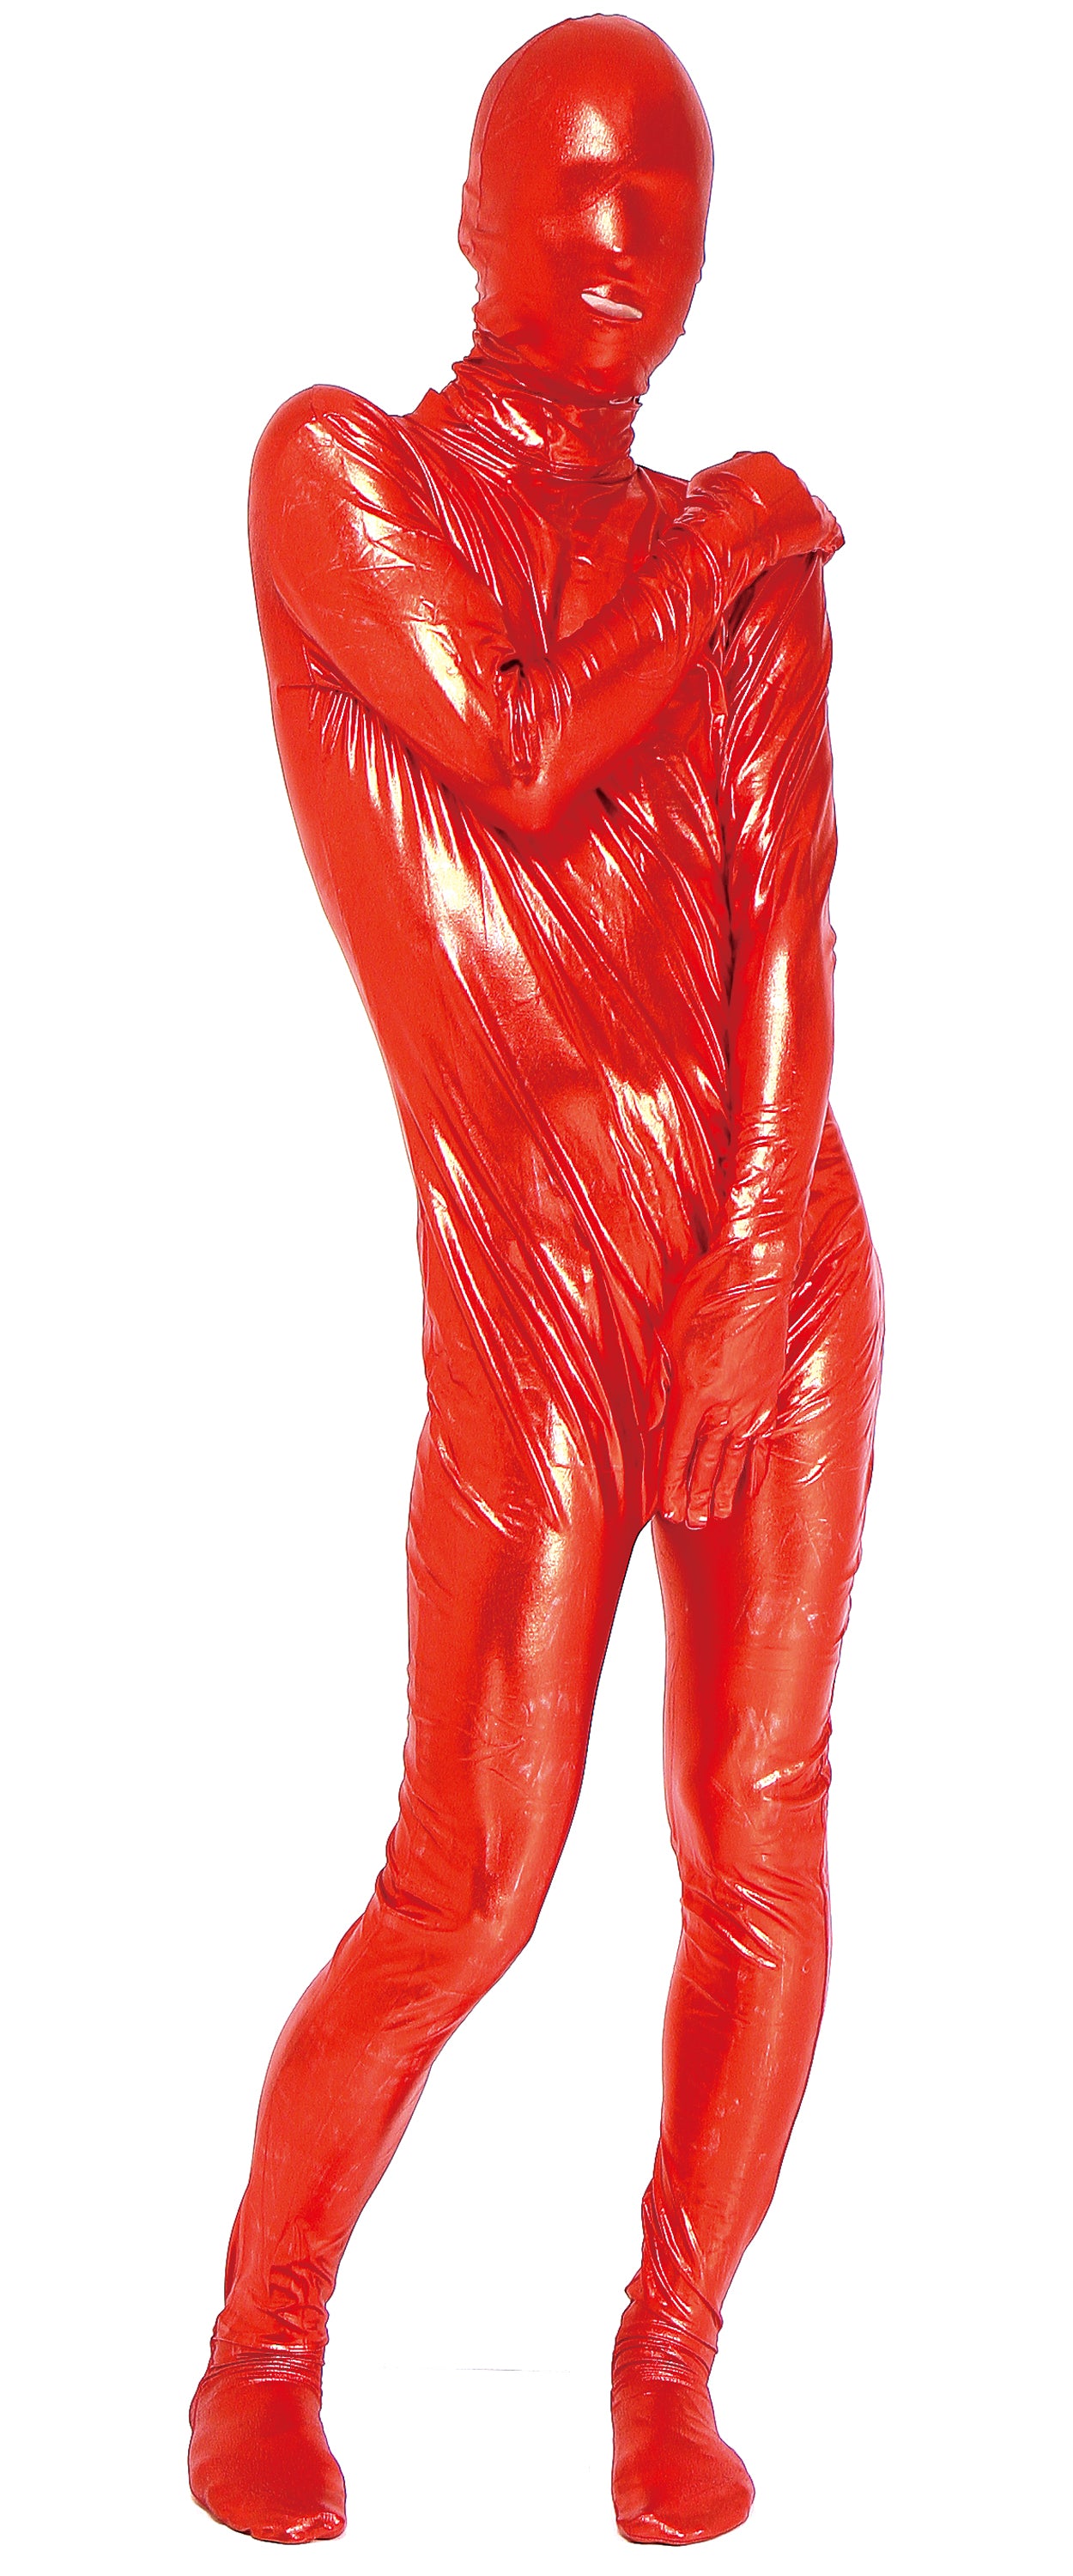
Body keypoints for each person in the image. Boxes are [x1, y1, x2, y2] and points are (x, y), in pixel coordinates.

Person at [188, 13, 883, 2548]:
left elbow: (788, 918)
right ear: (470, 214)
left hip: (767, 1261)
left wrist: (757, 1251)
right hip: (525, 1288)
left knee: (758, 1843)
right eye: (575, 185)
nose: (623, 241)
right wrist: (724, 543)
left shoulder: (747, 562)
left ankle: (666, 2356)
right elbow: (507, 742)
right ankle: (263, 2337)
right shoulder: (339, 474)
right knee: (471, 1876)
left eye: (668, 200)